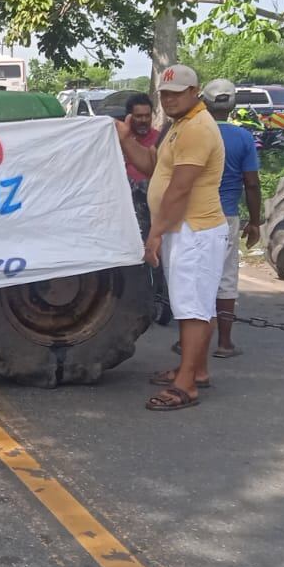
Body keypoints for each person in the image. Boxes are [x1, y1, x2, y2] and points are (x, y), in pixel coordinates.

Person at [115, 64, 227, 410]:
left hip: (193, 228)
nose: (170, 99)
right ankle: (196, 370)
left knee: (192, 308)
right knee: (195, 305)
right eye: (165, 94)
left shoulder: (196, 129)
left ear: (195, 92)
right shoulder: (178, 126)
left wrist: (155, 234)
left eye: (177, 93)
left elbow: (179, 190)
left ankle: (185, 386)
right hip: (186, 228)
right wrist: (126, 139)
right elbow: (153, 167)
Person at [201, 79, 262, 358]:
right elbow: (251, 183)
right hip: (227, 216)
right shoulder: (243, 138)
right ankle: (224, 343)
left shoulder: (195, 133)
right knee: (225, 279)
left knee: (196, 279)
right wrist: (255, 221)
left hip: (195, 217)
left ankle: (190, 344)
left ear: (204, 102)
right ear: (233, 105)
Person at [120, 94, 161, 184]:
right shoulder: (119, 139)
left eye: (147, 116)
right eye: (138, 116)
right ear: (129, 117)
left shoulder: (160, 139)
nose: (144, 120)